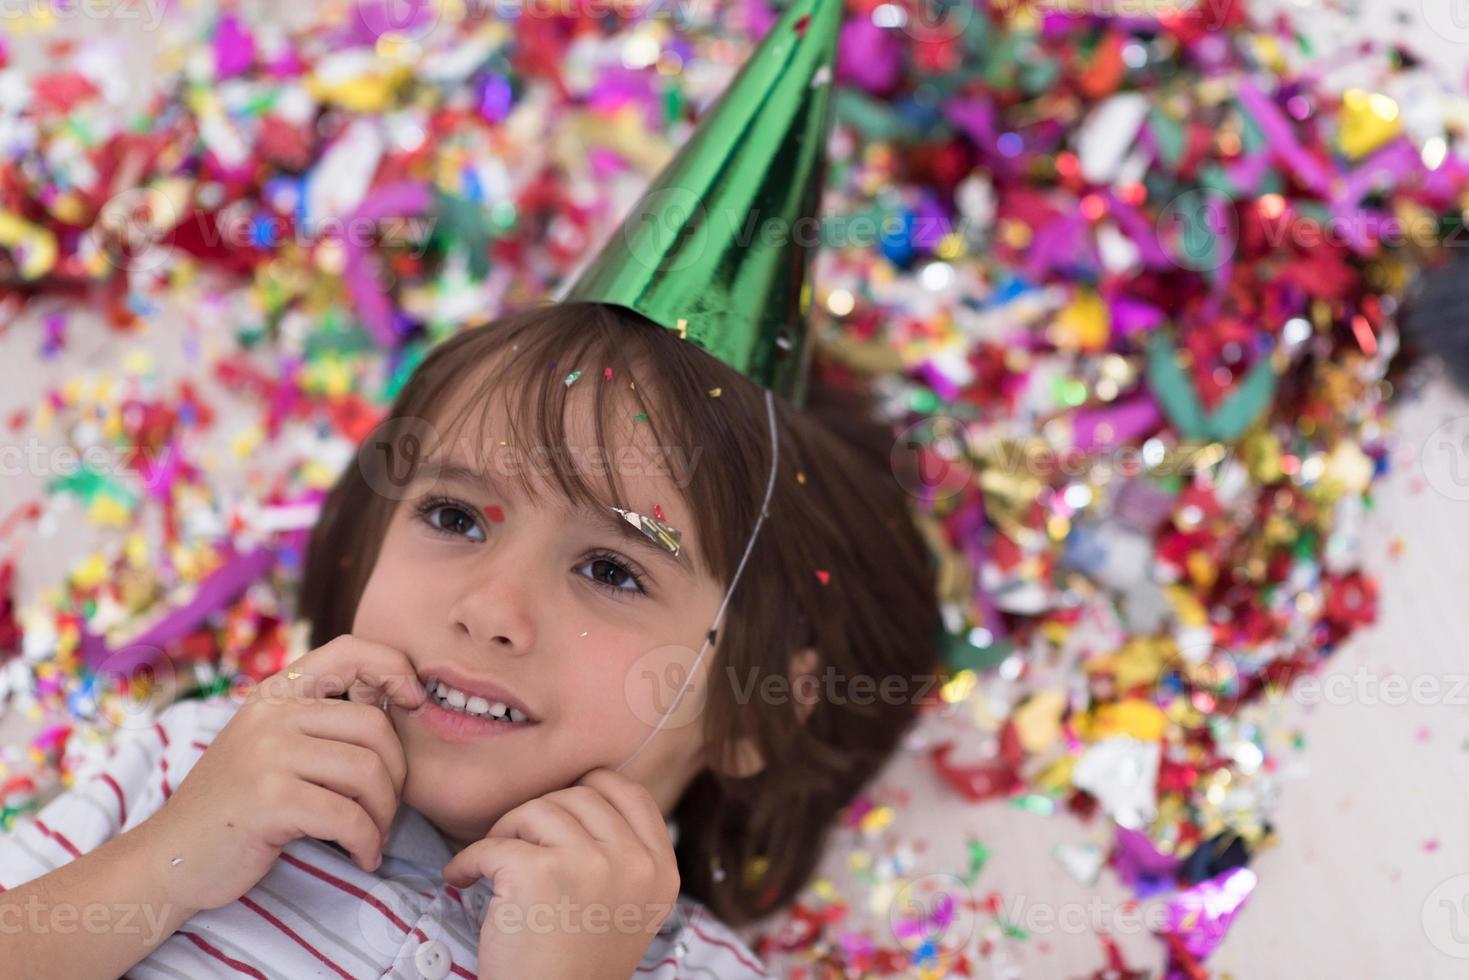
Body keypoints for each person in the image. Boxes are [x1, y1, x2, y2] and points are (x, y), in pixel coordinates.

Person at [0, 0, 941, 974]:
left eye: (613, 569)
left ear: (758, 712)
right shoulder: (205, 762)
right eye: (452, 515)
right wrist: (168, 860)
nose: (490, 608)